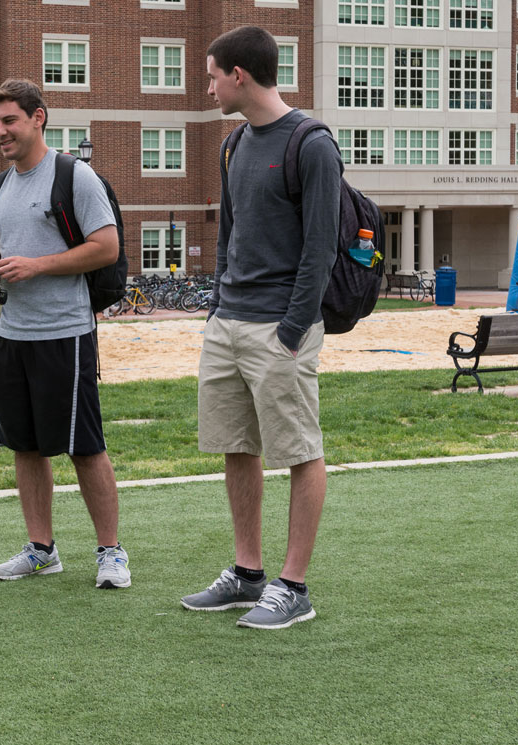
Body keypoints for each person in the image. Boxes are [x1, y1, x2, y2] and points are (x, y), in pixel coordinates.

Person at [178, 26, 339, 629]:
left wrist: (293, 329)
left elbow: (320, 247)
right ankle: (248, 574)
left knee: (299, 451)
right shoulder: (231, 145)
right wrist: (219, 304)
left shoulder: (311, 143)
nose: (209, 84)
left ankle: (292, 587)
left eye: (213, 73)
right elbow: (229, 233)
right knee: (235, 446)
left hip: (281, 328)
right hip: (229, 323)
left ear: (239, 75)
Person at [0, 78, 131, 589]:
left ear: (38, 118)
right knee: (24, 445)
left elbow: (106, 248)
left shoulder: (75, 176)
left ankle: (111, 552)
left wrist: (38, 266)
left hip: (65, 333)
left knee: (84, 446)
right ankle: (41, 550)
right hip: (9, 333)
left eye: (9, 121)